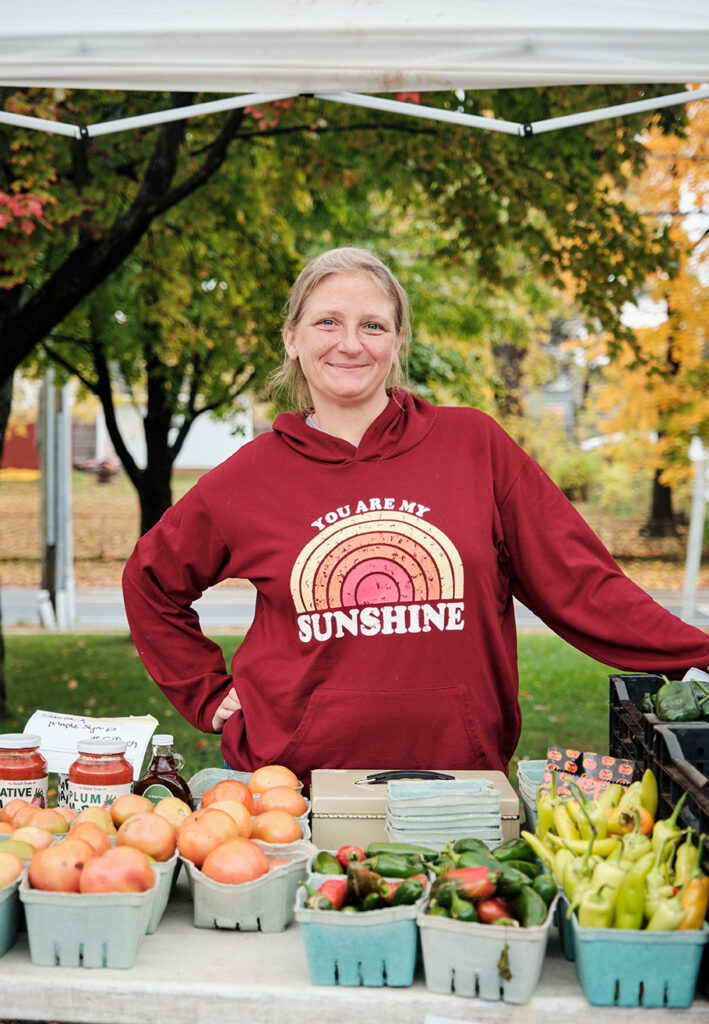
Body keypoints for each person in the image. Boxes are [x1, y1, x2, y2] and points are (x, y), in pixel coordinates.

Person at [122, 247, 709, 787]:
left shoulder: (474, 445)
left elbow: (582, 584)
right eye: (327, 322)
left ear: (396, 342)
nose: (350, 343)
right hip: (291, 787)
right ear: (292, 340)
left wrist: (698, 653)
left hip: (461, 778)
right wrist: (205, 692)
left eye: (372, 325)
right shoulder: (249, 478)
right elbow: (150, 581)